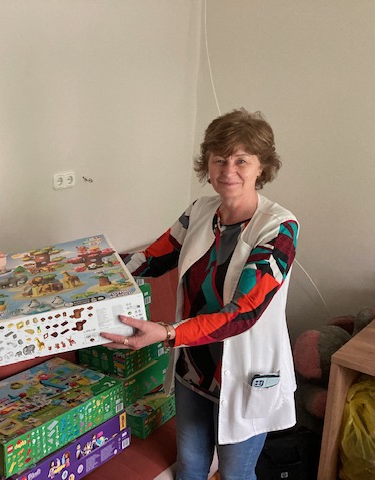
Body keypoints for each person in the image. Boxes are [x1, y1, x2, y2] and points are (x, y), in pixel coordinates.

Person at [101, 108, 299, 480]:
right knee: (191, 468)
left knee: (235, 474)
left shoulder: (279, 228)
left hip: (244, 376)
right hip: (193, 371)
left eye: (241, 160)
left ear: (262, 167)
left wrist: (167, 333)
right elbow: (150, 260)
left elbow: (242, 314)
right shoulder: (200, 211)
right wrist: (86, 268)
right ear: (207, 163)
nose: (228, 170)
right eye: (219, 159)